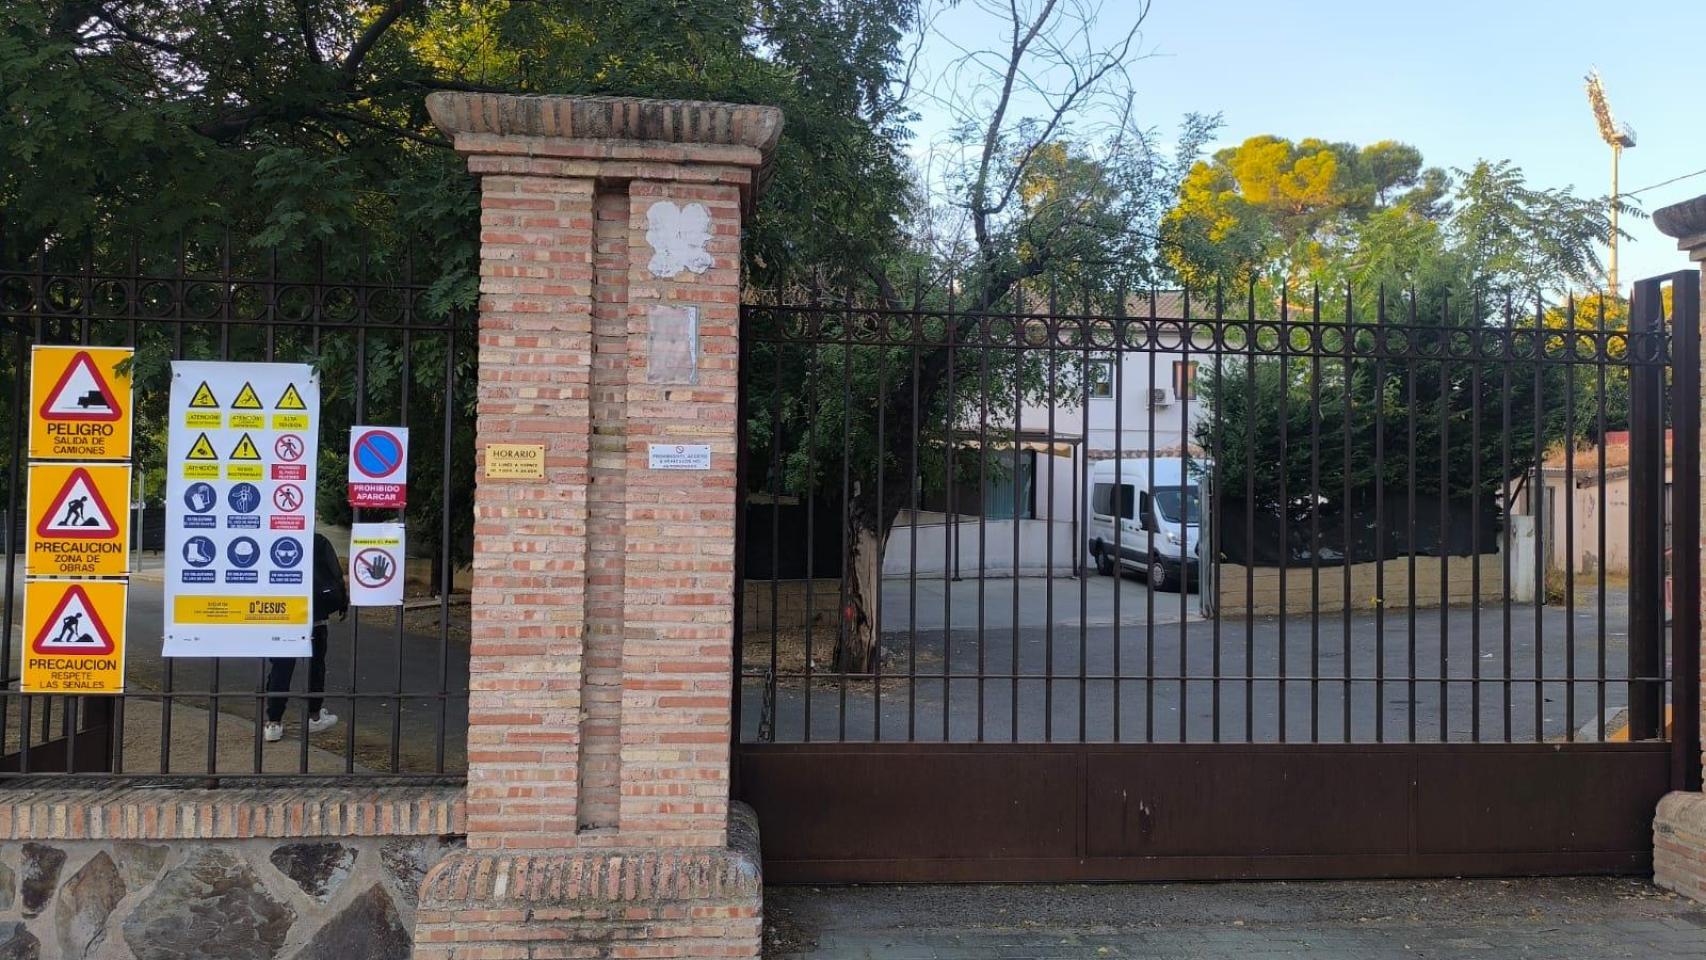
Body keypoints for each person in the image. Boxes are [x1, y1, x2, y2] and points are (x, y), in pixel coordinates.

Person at [264, 532, 348, 742]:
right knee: (315, 666)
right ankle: (314, 716)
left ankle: (274, 722)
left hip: (282, 612)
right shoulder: (317, 540)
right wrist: (342, 600)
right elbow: (334, 572)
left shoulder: (269, 537)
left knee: (281, 668)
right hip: (314, 612)